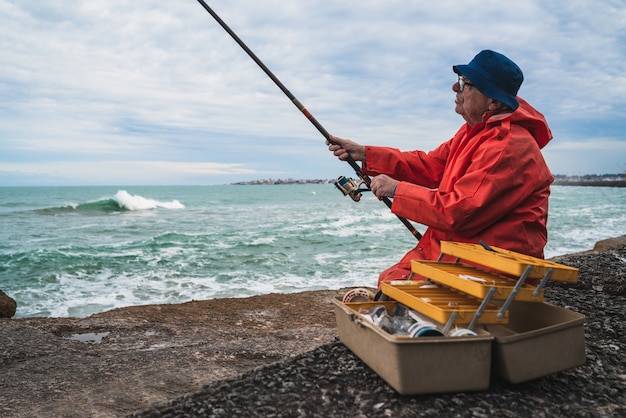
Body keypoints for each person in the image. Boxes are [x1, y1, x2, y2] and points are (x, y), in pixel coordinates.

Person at [328, 49, 553, 287]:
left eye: (466, 84)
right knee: (390, 280)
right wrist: (365, 153)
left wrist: (395, 189)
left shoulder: (506, 146)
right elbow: (432, 165)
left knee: (394, 286)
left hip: (495, 265)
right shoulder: (475, 132)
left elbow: (457, 211)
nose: (455, 89)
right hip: (469, 252)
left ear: (494, 101)